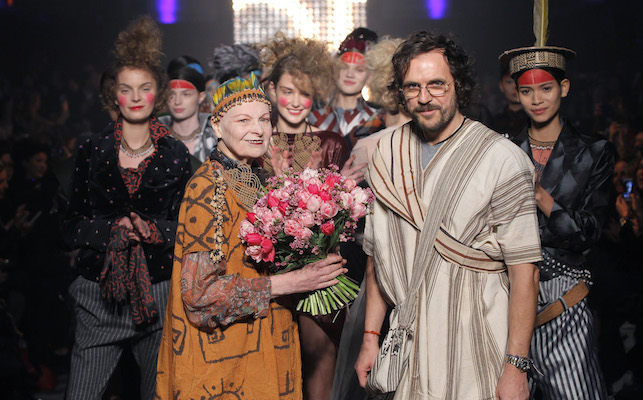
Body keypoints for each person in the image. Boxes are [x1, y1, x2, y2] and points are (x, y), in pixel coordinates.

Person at [354, 31, 542, 400]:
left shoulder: (502, 159)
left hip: (474, 345)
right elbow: (379, 257)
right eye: (412, 87)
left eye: (436, 84)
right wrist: (370, 339)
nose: (424, 98)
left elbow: (526, 271)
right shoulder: (387, 152)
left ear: (459, 84)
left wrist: (515, 367)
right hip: (405, 349)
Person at [154, 73, 347, 399]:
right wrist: (293, 282)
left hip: (267, 354)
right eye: (243, 120)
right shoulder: (208, 187)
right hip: (223, 368)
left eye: (264, 119)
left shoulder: (257, 179)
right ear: (216, 127)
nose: (257, 129)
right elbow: (200, 296)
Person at [62, 17, 192, 400]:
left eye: (145, 88)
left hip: (159, 294)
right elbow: (69, 226)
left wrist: (154, 231)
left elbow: (188, 225)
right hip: (98, 297)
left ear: (158, 94)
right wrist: (110, 232)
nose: (136, 97)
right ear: (112, 96)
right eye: (126, 89)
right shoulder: (91, 149)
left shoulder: (177, 154)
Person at [500, 42, 613, 398]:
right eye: (527, 90)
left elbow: (589, 233)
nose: (537, 99)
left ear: (563, 88)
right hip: (506, 305)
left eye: (546, 88)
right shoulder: (502, 152)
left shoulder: (594, 153)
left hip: (564, 305)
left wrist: (540, 197)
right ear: (516, 93)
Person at [260, 34, 354, 400]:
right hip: (269, 279)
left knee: (320, 385)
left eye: (305, 93)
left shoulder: (331, 143)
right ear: (271, 90)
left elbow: (344, 224)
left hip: (321, 283)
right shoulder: (256, 144)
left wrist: (322, 188)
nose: (296, 102)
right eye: (288, 91)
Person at [308, 28, 385, 147]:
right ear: (334, 68)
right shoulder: (311, 114)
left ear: (370, 75)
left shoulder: (380, 118)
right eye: (344, 67)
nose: (349, 74)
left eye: (359, 69)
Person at [158, 57, 216, 165]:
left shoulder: (216, 135)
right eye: (171, 94)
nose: (177, 101)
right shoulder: (155, 134)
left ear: (201, 96)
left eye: (186, 94)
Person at [490, 62, 529, 138]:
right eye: (509, 82)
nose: (515, 87)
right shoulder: (493, 122)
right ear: (501, 86)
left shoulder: (536, 118)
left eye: (519, 82)